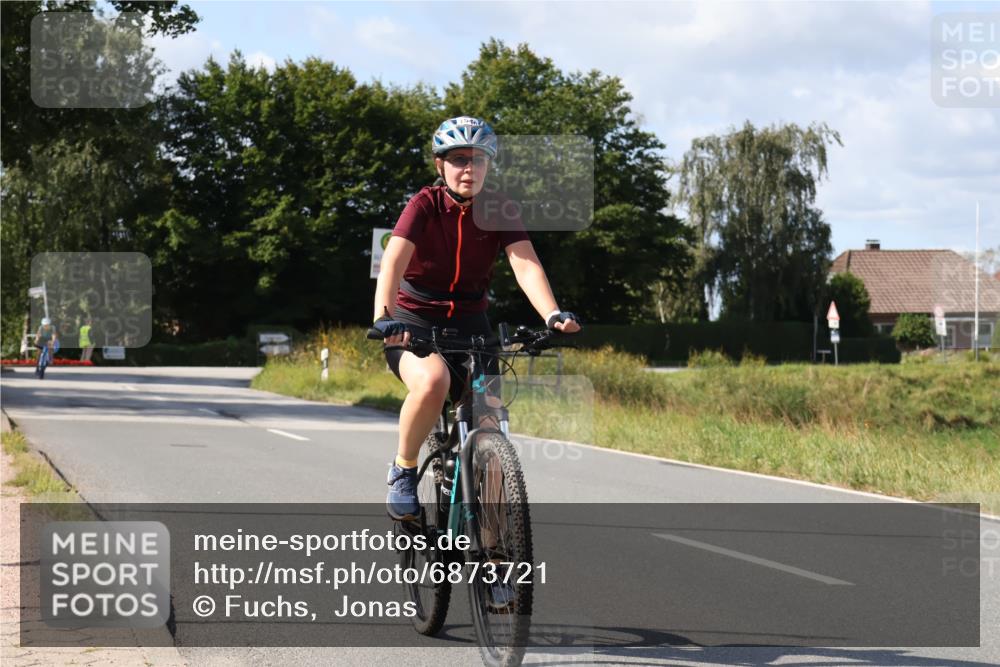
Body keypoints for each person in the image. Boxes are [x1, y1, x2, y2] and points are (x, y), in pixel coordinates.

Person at [371, 116, 581, 522]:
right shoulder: (424, 206)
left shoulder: (499, 208)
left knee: (492, 426)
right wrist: (384, 318)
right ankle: (404, 468)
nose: (469, 168)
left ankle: (498, 555)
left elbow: (525, 265)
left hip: (471, 324)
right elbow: (393, 262)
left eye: (478, 160)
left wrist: (552, 313)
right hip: (413, 320)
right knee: (434, 382)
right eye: (458, 159)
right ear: (440, 166)